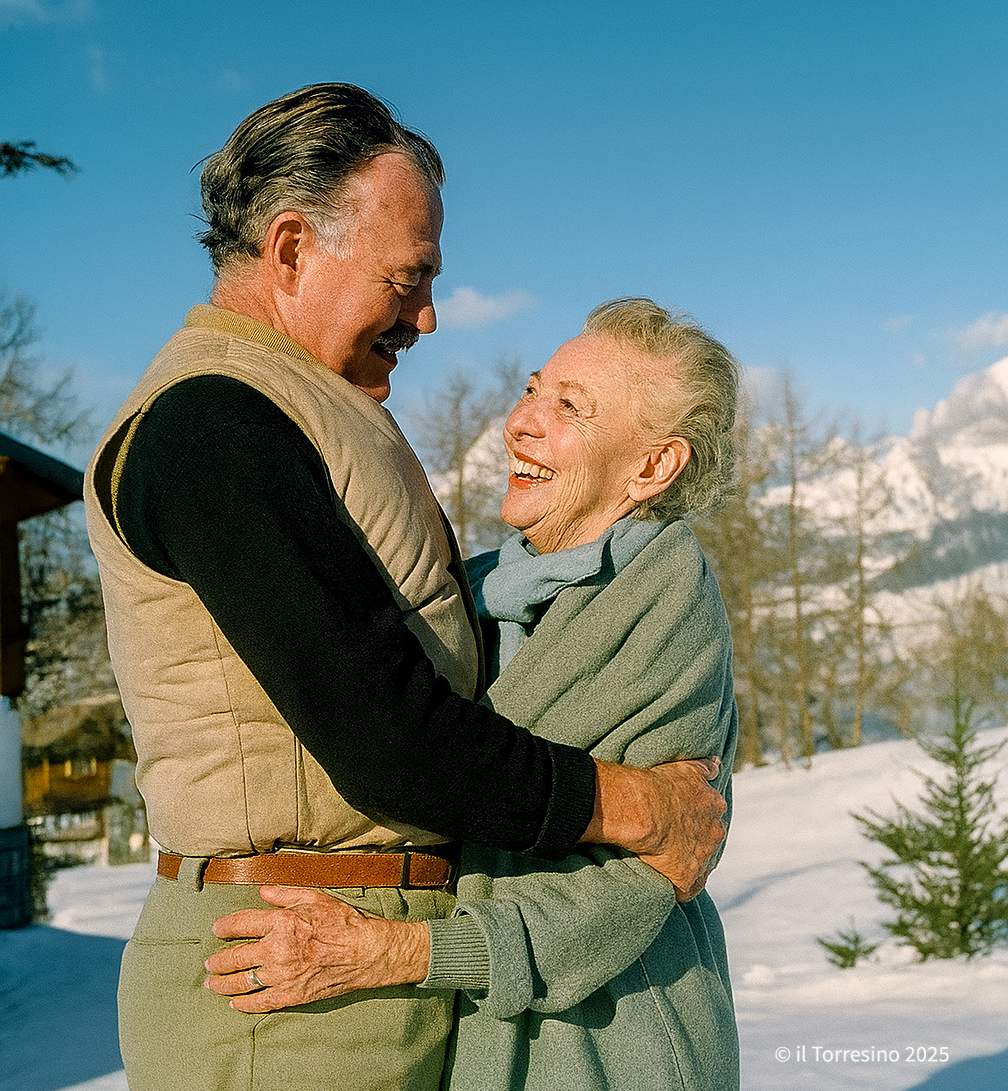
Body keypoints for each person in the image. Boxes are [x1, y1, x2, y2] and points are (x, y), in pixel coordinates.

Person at [83, 85, 726, 1091]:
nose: (426, 315)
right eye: (408, 277)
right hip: (288, 982)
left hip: (357, 976)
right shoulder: (214, 428)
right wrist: (634, 804)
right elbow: (384, 732)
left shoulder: (296, 408)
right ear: (291, 248)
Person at [206, 298, 742, 1090]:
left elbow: (638, 884)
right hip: (474, 1034)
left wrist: (401, 951)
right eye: (533, 389)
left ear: (652, 467)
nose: (520, 422)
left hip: (613, 1038)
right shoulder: (483, 588)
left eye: (570, 407)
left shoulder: (665, 601)